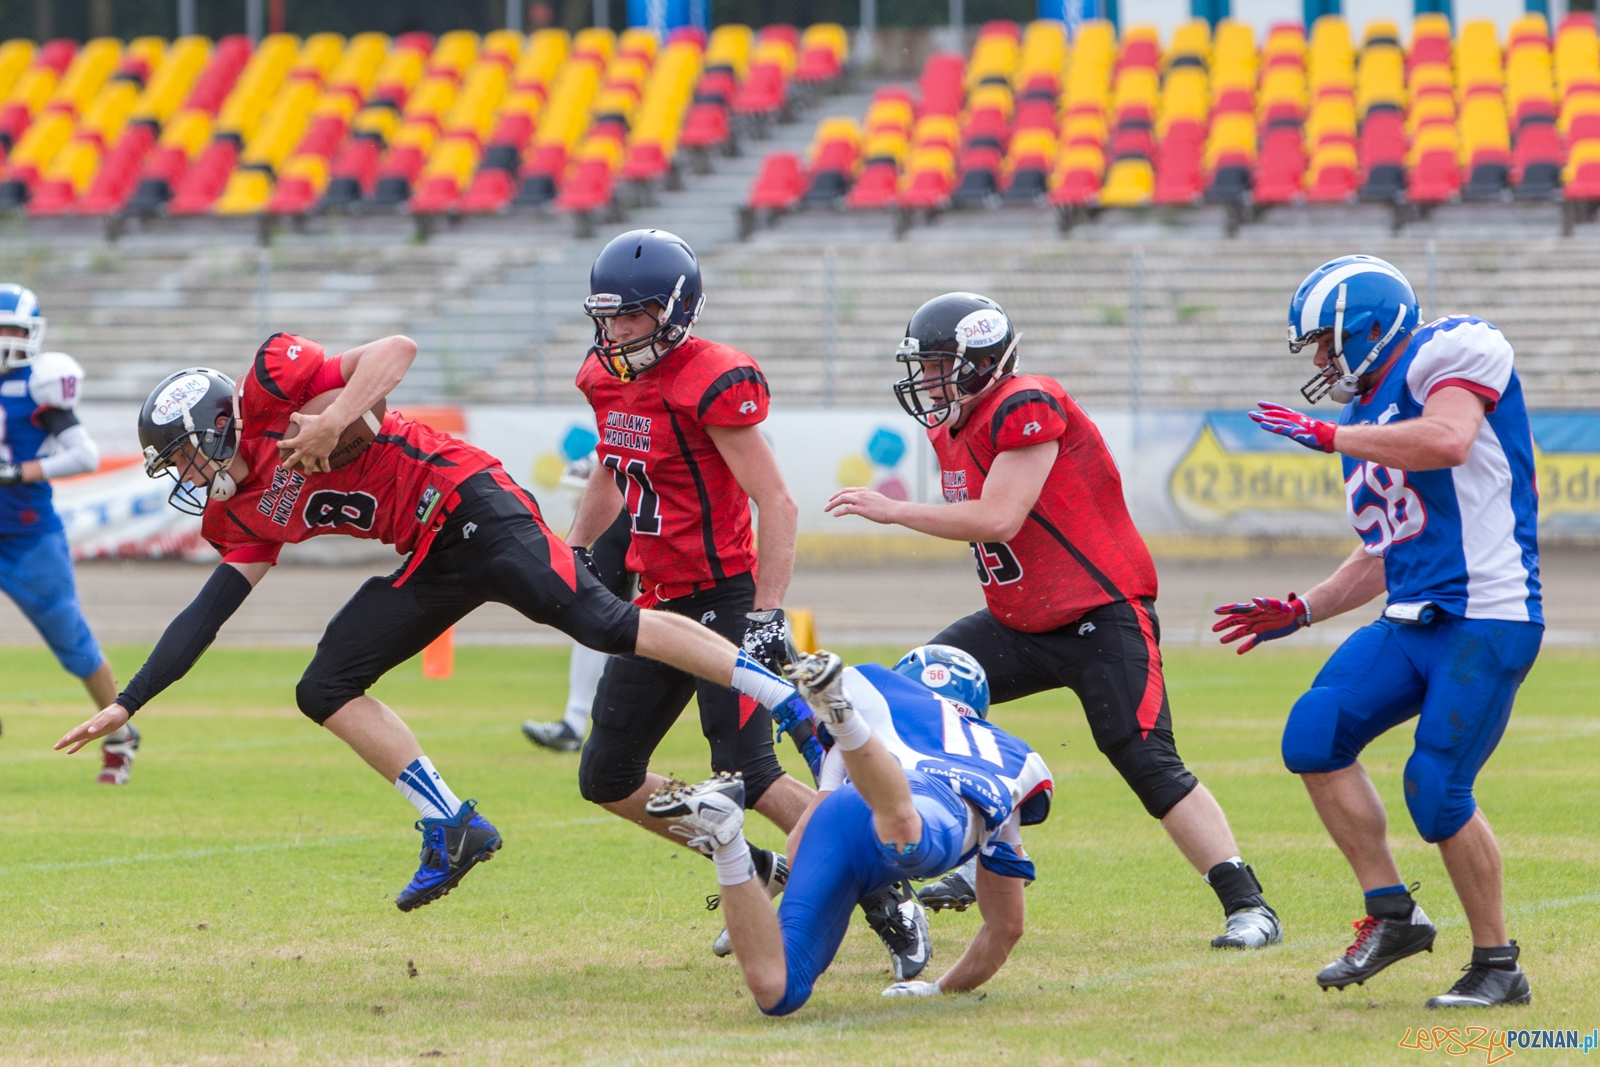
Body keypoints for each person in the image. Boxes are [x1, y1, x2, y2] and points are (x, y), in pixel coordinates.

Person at [54, 331, 783, 913]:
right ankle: (452, 823)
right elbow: (207, 612)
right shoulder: (234, 510)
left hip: (471, 499)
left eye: (181, 454)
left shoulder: (272, 378)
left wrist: (335, 418)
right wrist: (129, 700)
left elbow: (396, 349)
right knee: (326, 684)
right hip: (432, 550)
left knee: (603, 621)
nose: (181, 472)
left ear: (217, 426)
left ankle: (765, 678)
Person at [824, 291, 1281, 949]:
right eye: (922, 365)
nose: (926, 379)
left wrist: (894, 509)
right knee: (914, 699)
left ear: (982, 363)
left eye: (938, 365)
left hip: (1100, 614)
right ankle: (968, 852)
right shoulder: (949, 426)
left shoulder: (1025, 403)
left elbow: (996, 517)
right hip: (1018, 619)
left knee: (1144, 755)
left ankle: (1249, 905)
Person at [567, 229, 932, 975]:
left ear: (673, 312)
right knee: (607, 775)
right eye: (608, 316)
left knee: (751, 769)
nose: (617, 331)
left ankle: (889, 895)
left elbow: (777, 502)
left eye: (632, 316)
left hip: (726, 596)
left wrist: (767, 614)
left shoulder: (712, 378)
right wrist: (572, 554)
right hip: (659, 603)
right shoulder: (604, 377)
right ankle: (767, 870)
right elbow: (610, 470)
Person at [1213, 255, 1539, 1009]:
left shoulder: (1449, 349)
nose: (1323, 361)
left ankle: (1498, 963)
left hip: (1487, 613)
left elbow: (1451, 439)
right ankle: (1393, 913)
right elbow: (1385, 546)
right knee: (1314, 733)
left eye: (1327, 342)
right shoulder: (1363, 418)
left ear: (1367, 325)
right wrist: (1302, 608)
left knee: (1436, 787)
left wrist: (1332, 437)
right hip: (1414, 612)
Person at [648, 644, 1051, 1015]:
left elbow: (805, 833)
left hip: (847, 811)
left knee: (777, 992)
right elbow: (1005, 927)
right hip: (919, 804)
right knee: (908, 835)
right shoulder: (1012, 754)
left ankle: (727, 841)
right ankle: (842, 717)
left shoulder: (881, 704)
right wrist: (941, 989)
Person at [0, 283, 138, 784]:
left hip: (26, 534)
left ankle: (120, 732)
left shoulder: (39, 382)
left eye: (12, 329)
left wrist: (18, 472)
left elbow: (85, 455)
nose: (4, 338)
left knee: (71, 642)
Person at [522, 454, 634, 752]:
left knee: (673, 614)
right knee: (599, 612)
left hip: (660, 515)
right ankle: (582, 721)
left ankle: (595, 721)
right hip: (632, 511)